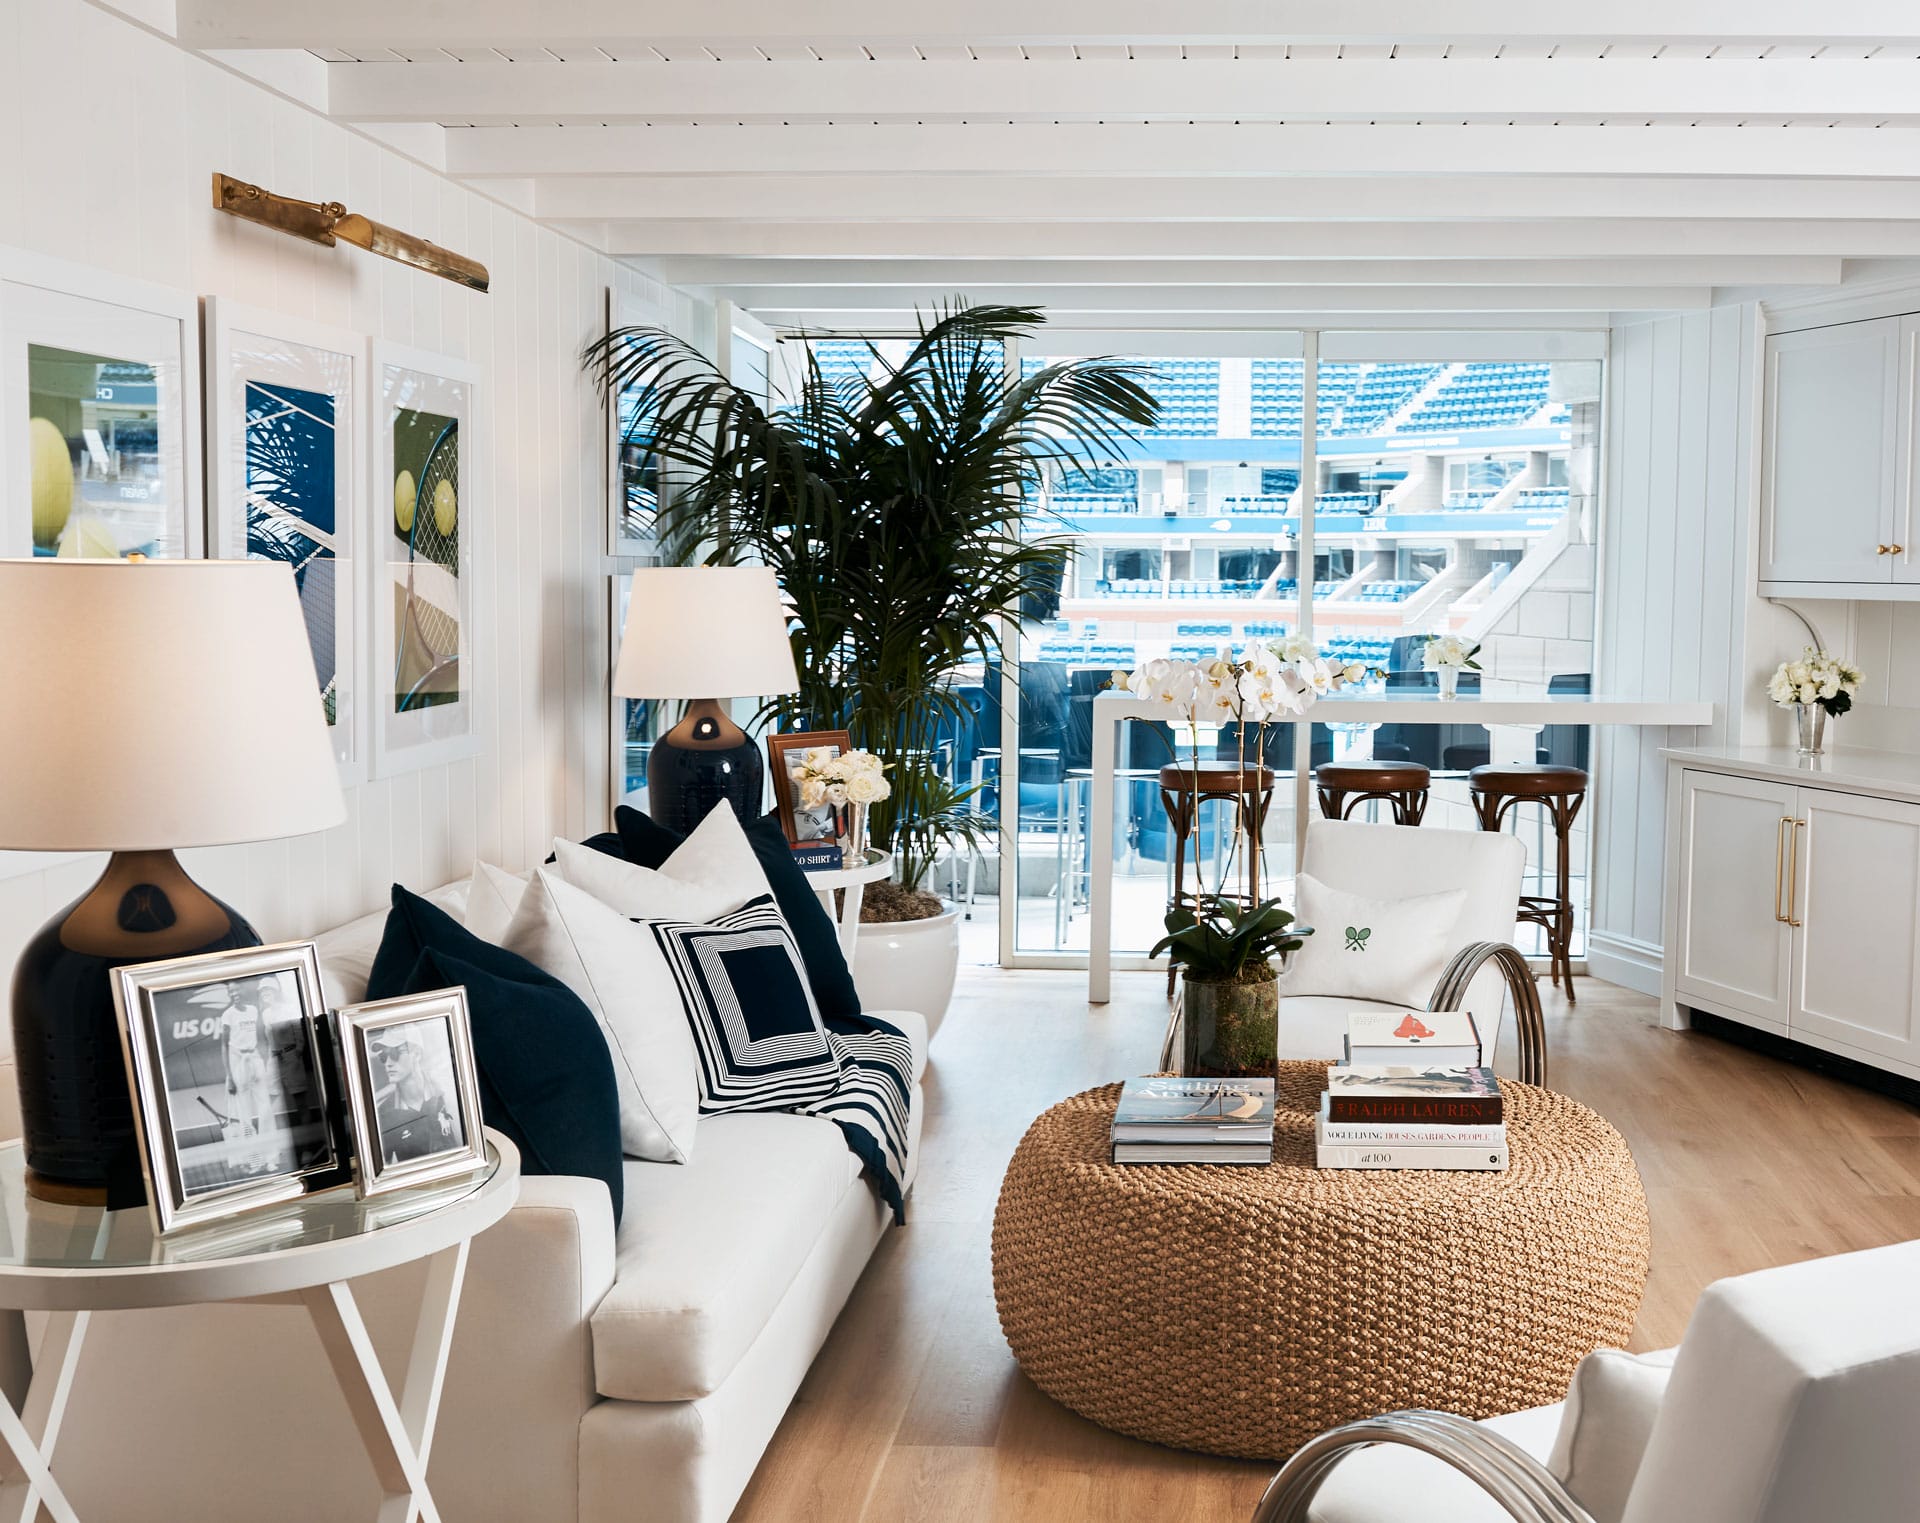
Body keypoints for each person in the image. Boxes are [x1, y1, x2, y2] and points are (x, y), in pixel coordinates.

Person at [373, 1027, 457, 1166]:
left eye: (394, 1053)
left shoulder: (447, 1093)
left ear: (416, 1054)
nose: (388, 1063)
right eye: (383, 1056)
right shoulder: (383, 1115)